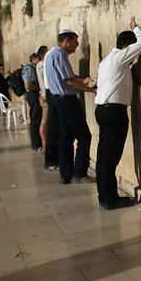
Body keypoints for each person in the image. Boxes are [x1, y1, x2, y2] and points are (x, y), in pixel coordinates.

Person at [94, 16, 141, 210]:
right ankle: (110, 199)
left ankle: (104, 195)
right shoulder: (119, 57)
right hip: (113, 112)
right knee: (110, 157)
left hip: (102, 109)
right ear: (127, 46)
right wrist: (135, 28)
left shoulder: (107, 61)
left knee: (103, 156)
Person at [44, 29, 96, 184]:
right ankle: (80, 173)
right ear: (66, 40)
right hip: (67, 101)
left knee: (66, 137)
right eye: (75, 41)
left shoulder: (51, 55)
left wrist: (82, 80)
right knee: (84, 136)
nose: (77, 45)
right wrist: (91, 89)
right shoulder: (59, 54)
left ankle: (66, 174)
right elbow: (69, 81)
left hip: (59, 101)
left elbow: (69, 77)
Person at [22, 52, 42, 150]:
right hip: (32, 95)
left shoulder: (33, 67)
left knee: (37, 118)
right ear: (34, 58)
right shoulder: (29, 68)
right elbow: (28, 85)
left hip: (34, 94)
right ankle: (36, 144)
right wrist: (40, 87)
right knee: (35, 119)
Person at [35, 46, 50, 155]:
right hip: (46, 97)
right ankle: (45, 145)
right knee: (44, 122)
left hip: (44, 96)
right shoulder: (42, 65)